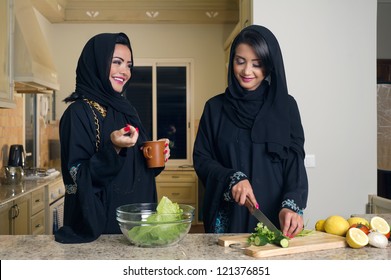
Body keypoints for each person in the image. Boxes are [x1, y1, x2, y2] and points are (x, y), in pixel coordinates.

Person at [193, 25, 308, 238]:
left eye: (257, 64)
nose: (247, 71)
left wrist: (292, 204)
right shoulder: (214, 108)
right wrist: (232, 178)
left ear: (270, 66)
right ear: (232, 62)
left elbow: (295, 161)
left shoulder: (286, 107)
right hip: (229, 219)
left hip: (276, 218)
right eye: (240, 61)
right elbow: (202, 159)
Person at [55, 32, 170, 243]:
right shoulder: (78, 113)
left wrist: (156, 154)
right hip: (103, 230)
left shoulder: (126, 110)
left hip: (137, 226)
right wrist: (113, 149)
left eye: (129, 65)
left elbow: (138, 171)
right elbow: (76, 178)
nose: (124, 72)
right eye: (117, 62)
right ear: (96, 63)